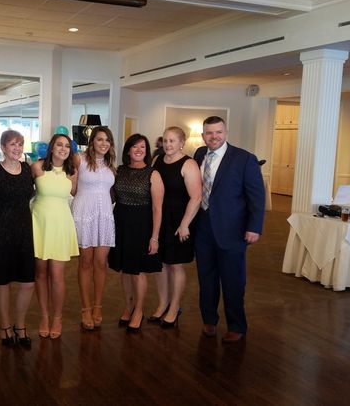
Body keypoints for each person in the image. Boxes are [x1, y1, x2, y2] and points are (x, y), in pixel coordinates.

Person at [194, 116, 265, 343]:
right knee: (206, 278)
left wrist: (254, 227)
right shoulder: (199, 155)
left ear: (226, 133)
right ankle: (209, 321)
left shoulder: (244, 159)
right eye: (209, 133)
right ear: (203, 135)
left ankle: (236, 325)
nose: (213, 136)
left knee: (233, 281)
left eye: (218, 132)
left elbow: (257, 197)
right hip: (203, 228)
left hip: (233, 231)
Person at [108, 134, 164, 332]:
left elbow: (157, 209)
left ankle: (139, 310)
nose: (139, 150)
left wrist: (154, 237)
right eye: (135, 146)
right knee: (125, 270)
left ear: (147, 151)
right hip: (120, 223)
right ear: (128, 150)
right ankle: (129, 306)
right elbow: (111, 196)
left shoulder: (153, 174)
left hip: (142, 226)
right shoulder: (119, 171)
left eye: (143, 147)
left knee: (137, 271)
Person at [149, 127, 202, 328]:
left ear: (182, 142)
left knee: (175, 265)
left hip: (180, 221)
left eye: (172, 141)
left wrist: (185, 224)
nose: (168, 144)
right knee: (160, 264)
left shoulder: (189, 164)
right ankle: (163, 303)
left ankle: (175, 307)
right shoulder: (157, 160)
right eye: (165, 140)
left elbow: (196, 197)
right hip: (160, 219)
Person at [0, 130, 36, 348]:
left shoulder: (27, 169)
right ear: (3, 147)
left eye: (20, 144)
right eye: (12, 144)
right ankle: (5, 326)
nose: (17, 148)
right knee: (4, 281)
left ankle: (21, 324)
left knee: (28, 281)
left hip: (24, 227)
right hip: (2, 228)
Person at [31, 134, 79, 339]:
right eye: (59, 144)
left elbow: (74, 195)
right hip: (39, 224)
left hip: (61, 225)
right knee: (40, 274)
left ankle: (57, 317)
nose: (63, 148)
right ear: (51, 147)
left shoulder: (72, 172)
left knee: (57, 275)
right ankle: (44, 316)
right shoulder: (37, 167)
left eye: (67, 146)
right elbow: (24, 192)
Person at [71, 126, 116, 330]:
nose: (103, 143)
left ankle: (98, 306)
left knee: (101, 262)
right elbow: (71, 188)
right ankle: (85, 308)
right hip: (84, 215)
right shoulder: (79, 159)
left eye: (107, 140)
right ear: (92, 142)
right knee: (86, 262)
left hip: (104, 216)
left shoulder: (111, 164)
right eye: (99, 139)